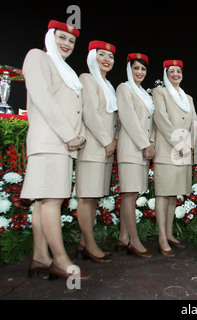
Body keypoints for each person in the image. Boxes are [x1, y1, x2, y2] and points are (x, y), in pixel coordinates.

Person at [20, 20, 89, 280]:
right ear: (51, 37)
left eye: (71, 41)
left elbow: (72, 108)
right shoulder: (39, 57)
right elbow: (42, 98)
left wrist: (77, 134)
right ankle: (60, 262)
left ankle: (40, 257)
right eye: (62, 38)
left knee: (42, 201)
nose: (67, 44)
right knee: (51, 201)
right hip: (50, 142)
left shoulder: (65, 70)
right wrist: (69, 134)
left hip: (59, 144)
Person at [75, 40, 119, 263]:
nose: (106, 59)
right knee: (86, 198)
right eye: (101, 54)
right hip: (93, 147)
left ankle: (84, 243)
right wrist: (106, 141)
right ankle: (90, 246)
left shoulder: (108, 85)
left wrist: (113, 141)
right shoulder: (87, 79)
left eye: (110, 56)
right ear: (92, 57)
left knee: (93, 199)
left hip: (106, 151)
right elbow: (89, 114)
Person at [153, 60, 197, 257]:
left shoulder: (188, 97)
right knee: (163, 194)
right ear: (166, 74)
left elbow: (195, 122)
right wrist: (180, 143)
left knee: (173, 195)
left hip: (184, 151)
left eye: (178, 71)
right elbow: (161, 119)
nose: (175, 74)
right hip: (168, 149)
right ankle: (161, 238)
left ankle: (170, 234)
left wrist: (190, 145)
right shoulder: (160, 92)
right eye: (171, 71)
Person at [116, 53, 155, 258]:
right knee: (130, 194)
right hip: (131, 148)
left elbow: (151, 123)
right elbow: (128, 119)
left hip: (143, 150)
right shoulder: (124, 88)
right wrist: (145, 144)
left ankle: (123, 237)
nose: (140, 72)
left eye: (143, 69)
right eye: (136, 68)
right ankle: (134, 241)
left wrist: (152, 143)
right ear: (129, 69)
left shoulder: (146, 95)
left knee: (132, 194)